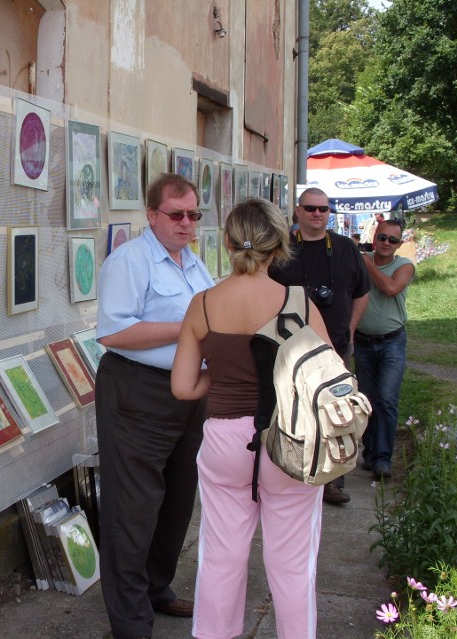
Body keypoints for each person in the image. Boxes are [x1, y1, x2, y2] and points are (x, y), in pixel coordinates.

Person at [171, 198, 329, 639]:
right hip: (288, 438)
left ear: (225, 241)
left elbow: (183, 387)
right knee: (293, 564)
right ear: (279, 245)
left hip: (225, 438)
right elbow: (328, 379)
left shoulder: (203, 304)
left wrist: (219, 378)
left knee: (221, 557)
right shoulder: (299, 303)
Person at [96, 173, 213, 639]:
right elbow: (113, 332)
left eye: (193, 215)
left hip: (187, 395)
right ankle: (130, 623)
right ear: (151, 215)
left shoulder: (194, 265)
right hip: (138, 392)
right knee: (133, 509)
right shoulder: (131, 260)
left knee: (178, 499)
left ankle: (157, 588)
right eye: (176, 214)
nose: (186, 223)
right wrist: (188, 325)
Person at [268, 187, 370, 505]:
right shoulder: (282, 249)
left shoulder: (345, 248)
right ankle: (289, 467)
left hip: (335, 349)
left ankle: (332, 480)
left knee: (336, 413)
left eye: (324, 209)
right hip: (289, 350)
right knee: (289, 408)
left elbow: (362, 292)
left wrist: (351, 330)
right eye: (310, 208)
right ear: (297, 211)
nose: (317, 214)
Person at [354, 220, 415, 479]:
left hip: (392, 342)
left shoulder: (404, 266)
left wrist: (367, 264)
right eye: (382, 238)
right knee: (367, 402)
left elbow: (390, 288)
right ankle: (369, 454)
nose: (386, 244)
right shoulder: (361, 261)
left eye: (392, 240)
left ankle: (383, 459)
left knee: (387, 400)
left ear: (399, 244)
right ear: (374, 238)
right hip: (363, 341)